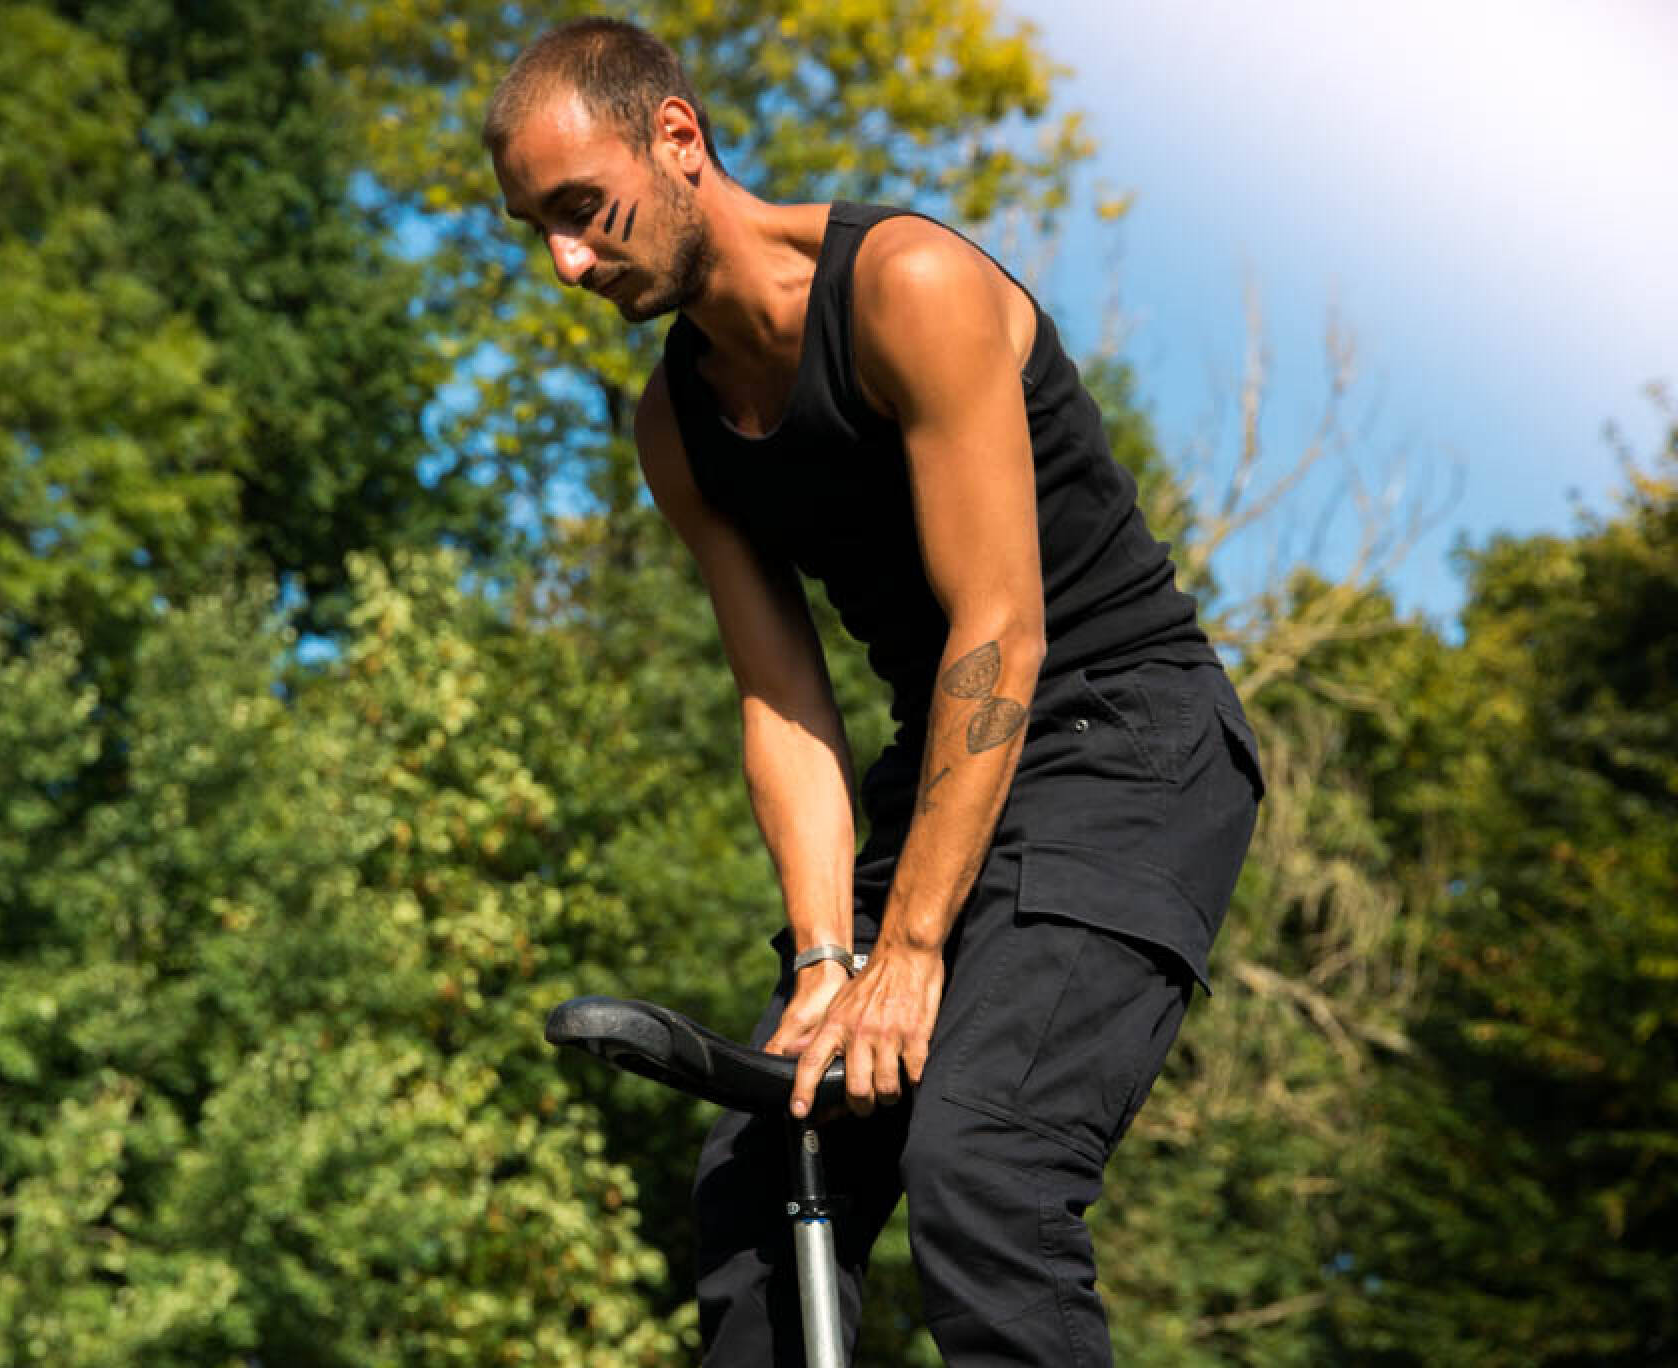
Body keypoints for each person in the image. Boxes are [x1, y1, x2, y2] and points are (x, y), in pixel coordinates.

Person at [485, 19, 1263, 1366]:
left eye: (582, 208)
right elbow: (782, 704)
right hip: (946, 766)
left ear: (678, 138)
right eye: (536, 229)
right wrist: (825, 959)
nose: (566, 261)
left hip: (1130, 742)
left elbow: (1000, 632)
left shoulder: (907, 286)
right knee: (760, 1189)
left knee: (986, 1161)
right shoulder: (677, 427)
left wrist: (908, 954)